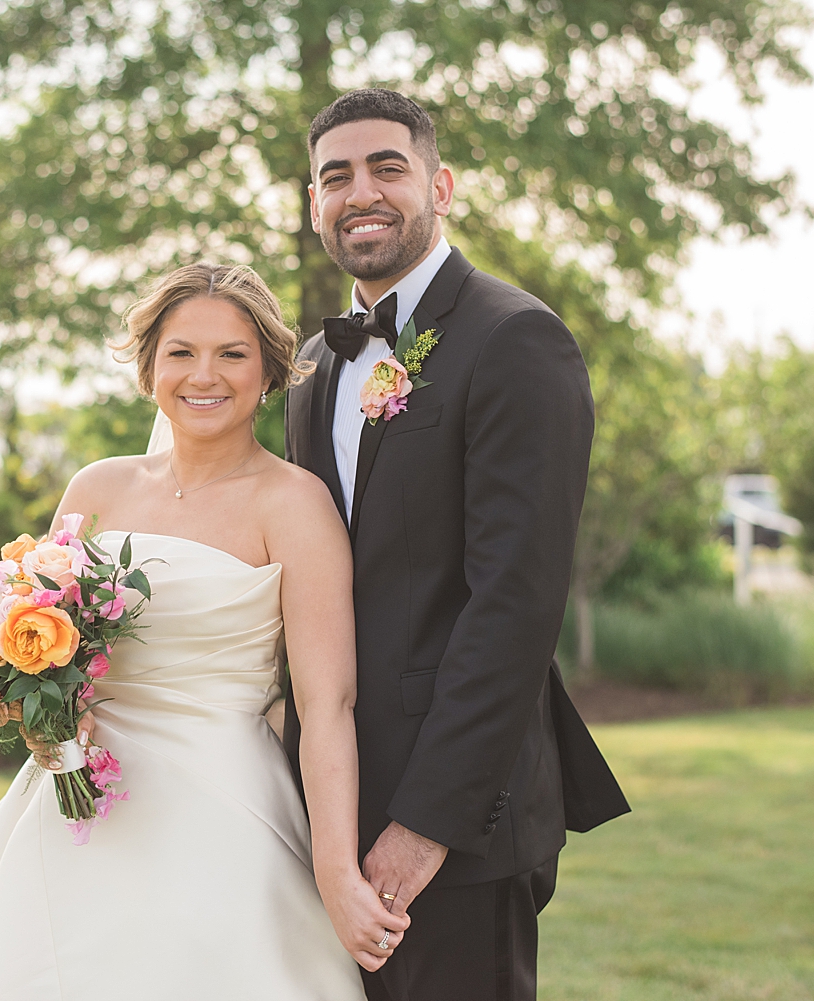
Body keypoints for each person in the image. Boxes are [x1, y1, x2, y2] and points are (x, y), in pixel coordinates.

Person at [0, 262, 402, 1000]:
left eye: (232, 354)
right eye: (181, 352)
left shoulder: (294, 503)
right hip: (75, 801)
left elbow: (328, 704)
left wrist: (337, 871)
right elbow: (43, 646)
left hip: (222, 805)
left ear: (271, 371)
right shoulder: (97, 488)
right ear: (149, 367)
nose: (203, 374)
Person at [282, 88, 632, 1001]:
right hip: (323, 804)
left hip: (455, 817)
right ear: (314, 205)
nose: (361, 192)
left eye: (386, 168)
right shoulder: (313, 370)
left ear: (441, 185)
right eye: (336, 177)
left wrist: (427, 822)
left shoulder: (516, 339)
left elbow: (515, 605)